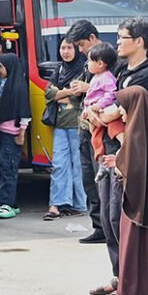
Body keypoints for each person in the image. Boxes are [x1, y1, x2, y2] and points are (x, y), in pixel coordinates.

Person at [90, 18, 148, 295]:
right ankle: (119, 275)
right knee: (107, 220)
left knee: (121, 218)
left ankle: (131, 282)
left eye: (122, 37)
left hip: (128, 154)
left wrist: (98, 115)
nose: (117, 42)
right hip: (107, 150)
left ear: (139, 41)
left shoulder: (147, 75)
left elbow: (114, 113)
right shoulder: (121, 70)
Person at [103, 86, 148, 295]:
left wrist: (118, 166)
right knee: (145, 247)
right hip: (147, 201)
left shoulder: (134, 132)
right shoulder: (147, 129)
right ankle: (143, 293)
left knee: (132, 247)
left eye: (123, 106)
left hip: (135, 203)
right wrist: (119, 160)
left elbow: (131, 169)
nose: (120, 111)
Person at [65, 20, 106, 244]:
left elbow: (113, 90)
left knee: (102, 181)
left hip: (101, 130)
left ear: (92, 38)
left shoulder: (108, 58)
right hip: (84, 127)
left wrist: (87, 87)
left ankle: (110, 228)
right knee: (88, 180)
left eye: (81, 45)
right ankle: (98, 226)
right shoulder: (86, 64)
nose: (81, 51)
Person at [43, 38, 88, 220]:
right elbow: (48, 93)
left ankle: (79, 204)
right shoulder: (59, 70)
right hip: (60, 124)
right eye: (62, 48)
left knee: (78, 165)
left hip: (78, 124)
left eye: (69, 48)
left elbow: (81, 93)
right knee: (59, 165)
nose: (65, 51)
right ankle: (56, 204)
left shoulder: (84, 69)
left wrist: (60, 93)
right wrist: (68, 92)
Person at [0, 53, 29, 219]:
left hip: (12, 135)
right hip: (3, 131)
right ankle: (2, 202)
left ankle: (8, 203)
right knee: (2, 166)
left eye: (1, 67)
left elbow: (25, 114)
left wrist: (21, 134)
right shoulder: (5, 84)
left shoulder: (18, 87)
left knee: (9, 168)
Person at [82, 43, 119, 162]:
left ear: (100, 63)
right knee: (94, 137)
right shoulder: (96, 77)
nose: (87, 63)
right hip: (93, 111)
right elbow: (89, 97)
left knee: (98, 137)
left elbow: (111, 94)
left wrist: (100, 105)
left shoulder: (106, 77)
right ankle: (100, 160)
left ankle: (101, 161)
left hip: (103, 111)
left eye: (89, 60)